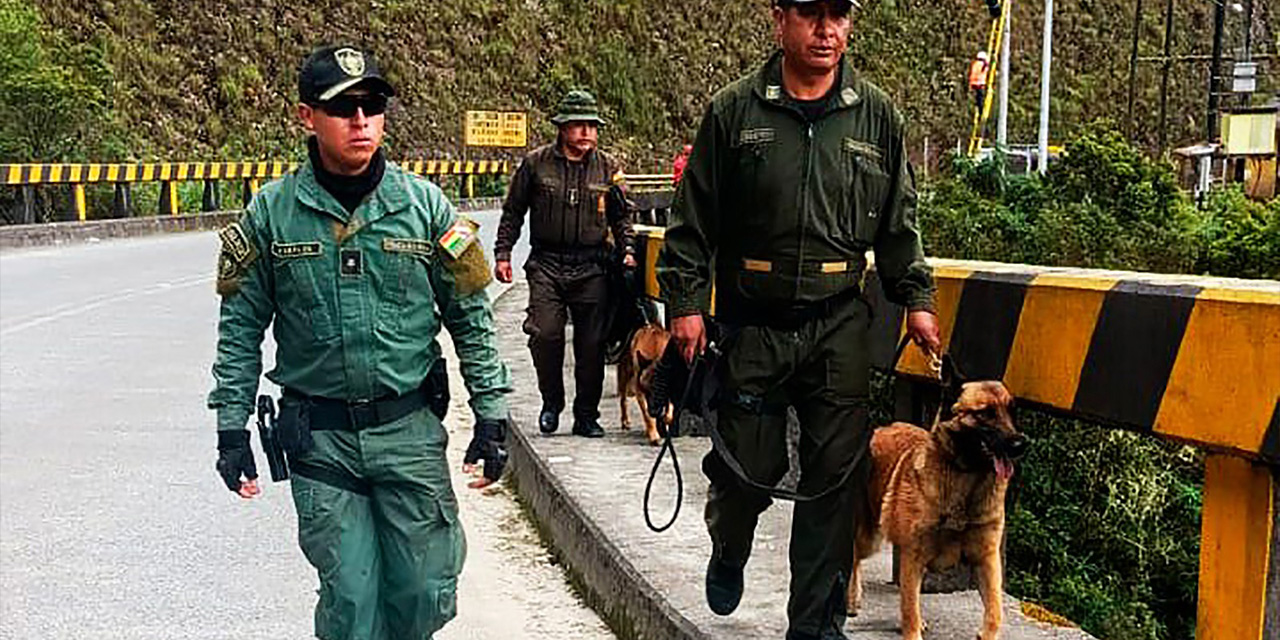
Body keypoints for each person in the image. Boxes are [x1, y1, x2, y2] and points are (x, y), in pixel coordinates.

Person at [656, 1, 941, 638]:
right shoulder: (734, 111)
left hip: (840, 322)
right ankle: (729, 545)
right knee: (745, 471)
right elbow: (692, 220)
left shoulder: (876, 117)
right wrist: (682, 305)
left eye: (838, 16)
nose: (826, 30)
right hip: (751, 323)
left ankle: (813, 625)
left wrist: (917, 299)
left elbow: (899, 224)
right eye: (812, 14)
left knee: (833, 483)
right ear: (779, 18)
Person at [208, 44, 512, 640]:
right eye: (343, 108)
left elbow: (471, 319)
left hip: (408, 433)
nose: (361, 121)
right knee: (351, 603)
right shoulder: (271, 216)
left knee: (426, 593)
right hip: (321, 440)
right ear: (305, 118)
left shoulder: (425, 208)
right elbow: (240, 329)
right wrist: (230, 428)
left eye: (372, 106)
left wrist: (492, 418)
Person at [494, 89, 636, 438]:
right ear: (562, 128)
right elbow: (513, 211)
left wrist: (629, 250)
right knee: (544, 333)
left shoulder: (608, 168)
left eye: (592, 125)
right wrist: (502, 253)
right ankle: (551, 402)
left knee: (591, 345)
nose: (586, 132)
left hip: (592, 267)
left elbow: (622, 217)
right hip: (546, 264)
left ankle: (586, 414)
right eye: (578, 125)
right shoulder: (536, 164)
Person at [968, 50, 990, 116]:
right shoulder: (983, 64)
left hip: (973, 84)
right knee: (981, 99)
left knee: (977, 99)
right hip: (980, 84)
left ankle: (977, 109)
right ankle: (981, 112)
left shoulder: (974, 64)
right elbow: (986, 69)